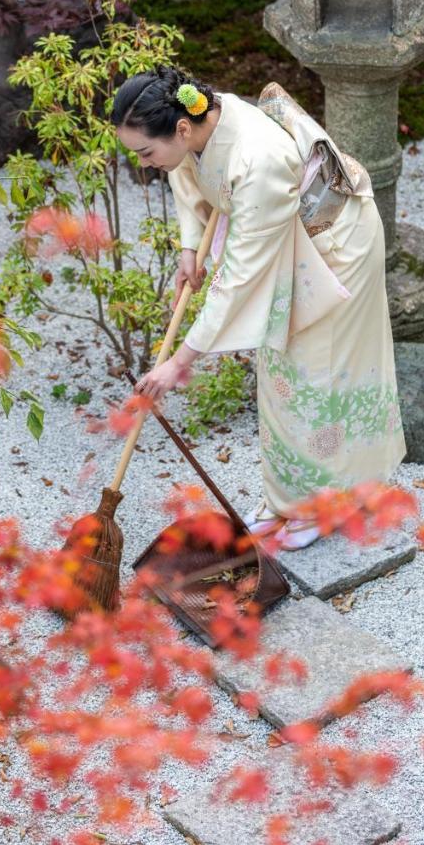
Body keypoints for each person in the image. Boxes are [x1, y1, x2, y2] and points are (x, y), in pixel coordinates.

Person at [111, 65, 406, 550]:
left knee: (319, 377)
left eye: (146, 152)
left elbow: (240, 278)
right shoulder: (202, 120)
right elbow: (187, 173)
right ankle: (285, 500)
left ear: (181, 128)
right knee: (282, 379)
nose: (145, 164)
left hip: (335, 249)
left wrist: (179, 363)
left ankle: (326, 504)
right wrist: (190, 248)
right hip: (290, 247)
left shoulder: (258, 157)